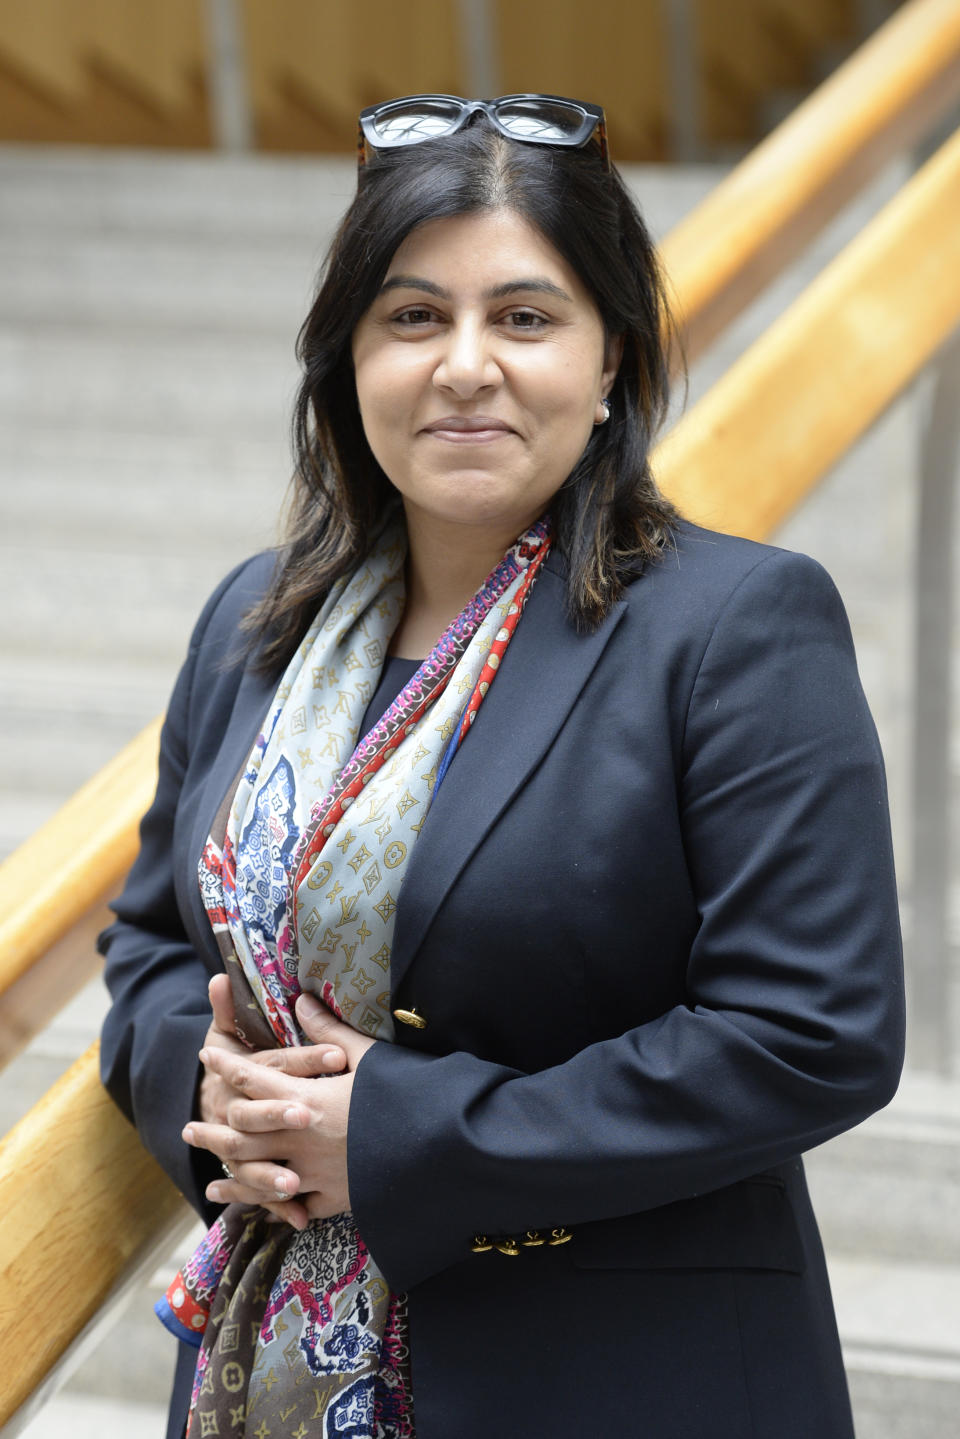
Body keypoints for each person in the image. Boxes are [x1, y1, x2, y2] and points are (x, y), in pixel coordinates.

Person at [100, 94, 905, 1439]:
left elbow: (810, 1033)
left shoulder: (733, 630)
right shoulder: (261, 624)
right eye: (413, 317)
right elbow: (145, 942)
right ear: (348, 361)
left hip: (615, 1380)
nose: (465, 365)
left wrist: (398, 1135)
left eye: (525, 319)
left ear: (611, 366)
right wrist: (212, 1088)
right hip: (278, 1365)